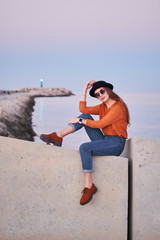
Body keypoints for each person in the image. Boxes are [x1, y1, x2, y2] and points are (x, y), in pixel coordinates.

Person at [40, 80, 130, 205]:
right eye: (97, 94)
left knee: (84, 147)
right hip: (105, 140)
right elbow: (83, 109)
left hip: (116, 144)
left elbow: (100, 124)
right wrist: (85, 90)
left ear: (108, 90)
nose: (100, 95)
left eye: (102, 91)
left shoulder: (118, 107)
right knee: (86, 116)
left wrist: (80, 120)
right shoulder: (103, 106)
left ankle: (89, 186)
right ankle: (58, 136)